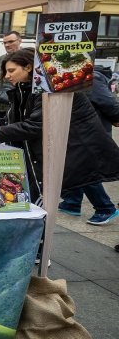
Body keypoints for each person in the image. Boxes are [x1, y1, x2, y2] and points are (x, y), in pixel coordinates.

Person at [0, 48, 119, 209]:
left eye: (11, 70)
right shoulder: (24, 89)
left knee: (40, 202)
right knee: (32, 202)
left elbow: (37, 126)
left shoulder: (49, 90)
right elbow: (11, 120)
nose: (7, 76)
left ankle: (102, 208)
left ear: (28, 67)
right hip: (43, 154)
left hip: (69, 151)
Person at [58, 63, 119, 224]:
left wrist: (116, 118)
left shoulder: (92, 77)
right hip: (81, 129)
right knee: (75, 166)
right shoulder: (71, 76)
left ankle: (105, 207)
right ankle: (72, 202)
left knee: (86, 169)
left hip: (91, 130)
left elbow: (109, 103)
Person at [0, 31, 21, 119]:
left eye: (10, 42)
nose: (7, 45)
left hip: (17, 108)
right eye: (5, 42)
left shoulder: (26, 58)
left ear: (20, 41)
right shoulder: (0, 59)